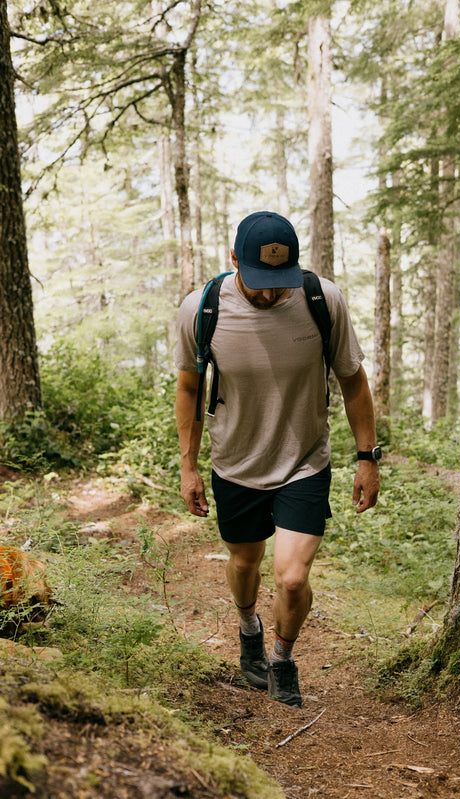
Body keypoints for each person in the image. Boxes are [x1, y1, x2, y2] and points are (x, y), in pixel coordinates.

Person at [174, 211, 380, 708]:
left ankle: (282, 659)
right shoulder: (201, 309)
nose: (270, 294)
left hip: (303, 462)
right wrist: (188, 465)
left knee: (291, 577)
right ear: (234, 259)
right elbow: (189, 387)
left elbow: (352, 380)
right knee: (245, 562)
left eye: (279, 281)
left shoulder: (321, 300)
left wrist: (367, 457)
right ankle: (249, 628)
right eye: (259, 281)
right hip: (235, 462)